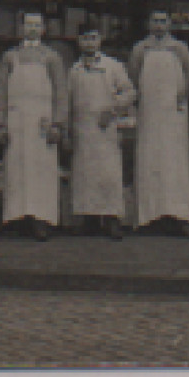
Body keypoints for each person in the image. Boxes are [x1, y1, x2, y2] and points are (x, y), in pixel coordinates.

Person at [0, 11, 67, 241]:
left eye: (37, 25)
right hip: (16, 121)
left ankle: (41, 219)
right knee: (16, 170)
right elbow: (1, 92)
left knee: (41, 170)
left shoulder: (52, 58)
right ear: (21, 28)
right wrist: (1, 124)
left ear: (44, 29)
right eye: (28, 25)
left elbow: (61, 93)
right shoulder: (10, 57)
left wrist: (57, 123)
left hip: (41, 122)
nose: (33, 29)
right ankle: (17, 217)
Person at [127, 9, 189, 238]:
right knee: (150, 160)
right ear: (148, 23)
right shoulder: (140, 49)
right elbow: (133, 79)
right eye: (155, 21)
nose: (159, 25)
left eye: (163, 21)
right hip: (149, 115)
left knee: (176, 163)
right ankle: (149, 216)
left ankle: (180, 216)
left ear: (170, 23)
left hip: (175, 116)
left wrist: (181, 95)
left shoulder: (180, 49)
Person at [68, 24, 136, 240]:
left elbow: (129, 91)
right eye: (85, 38)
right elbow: (67, 101)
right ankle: (88, 219)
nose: (89, 42)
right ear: (79, 41)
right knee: (85, 175)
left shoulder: (113, 66)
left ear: (100, 40)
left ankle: (111, 219)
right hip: (82, 129)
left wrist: (113, 109)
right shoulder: (74, 70)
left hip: (106, 130)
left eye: (93, 38)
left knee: (109, 175)